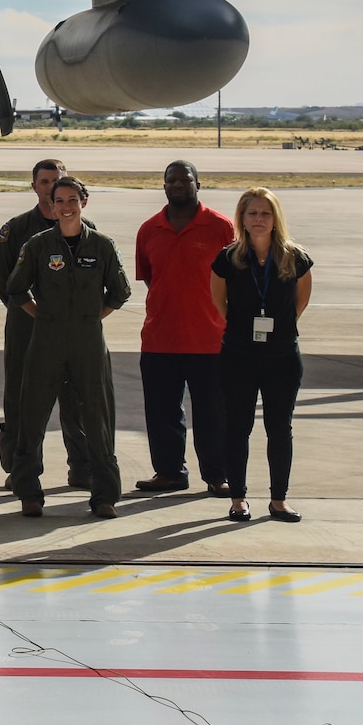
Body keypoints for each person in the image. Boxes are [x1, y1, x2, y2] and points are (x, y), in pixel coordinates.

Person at [5, 177, 131, 518]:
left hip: (88, 343)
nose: (66, 207)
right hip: (46, 341)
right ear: (52, 205)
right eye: (59, 200)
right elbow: (16, 290)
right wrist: (43, 317)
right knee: (32, 418)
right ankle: (29, 492)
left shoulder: (102, 246)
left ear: (83, 202)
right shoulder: (37, 246)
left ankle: (104, 496)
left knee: (98, 419)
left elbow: (119, 293)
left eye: (73, 200)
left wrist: (90, 319)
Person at [0, 158, 96, 489]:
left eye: (58, 181)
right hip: (26, 330)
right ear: (34, 186)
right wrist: (29, 309)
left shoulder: (87, 232)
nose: (52, 188)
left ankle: (81, 467)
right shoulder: (16, 229)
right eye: (45, 182)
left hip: (71, 331)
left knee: (75, 400)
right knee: (22, 400)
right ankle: (21, 469)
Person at [211, 188, 314, 524]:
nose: (258, 219)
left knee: (279, 429)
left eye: (265, 214)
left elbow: (300, 300)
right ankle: (238, 498)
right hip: (239, 355)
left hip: (282, 356)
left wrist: (278, 329)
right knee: (237, 427)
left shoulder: (294, 257)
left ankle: (278, 499)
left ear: (275, 219)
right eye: (251, 213)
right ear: (242, 218)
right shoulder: (228, 258)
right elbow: (220, 302)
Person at [134, 160, 236, 495]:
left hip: (210, 340)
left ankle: (217, 475)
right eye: (171, 180)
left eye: (185, 179)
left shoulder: (221, 227)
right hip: (160, 338)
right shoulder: (149, 229)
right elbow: (151, 277)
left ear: (198, 184)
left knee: (212, 414)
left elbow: (236, 278)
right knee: (163, 413)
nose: (178, 184)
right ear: (163, 186)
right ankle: (169, 473)